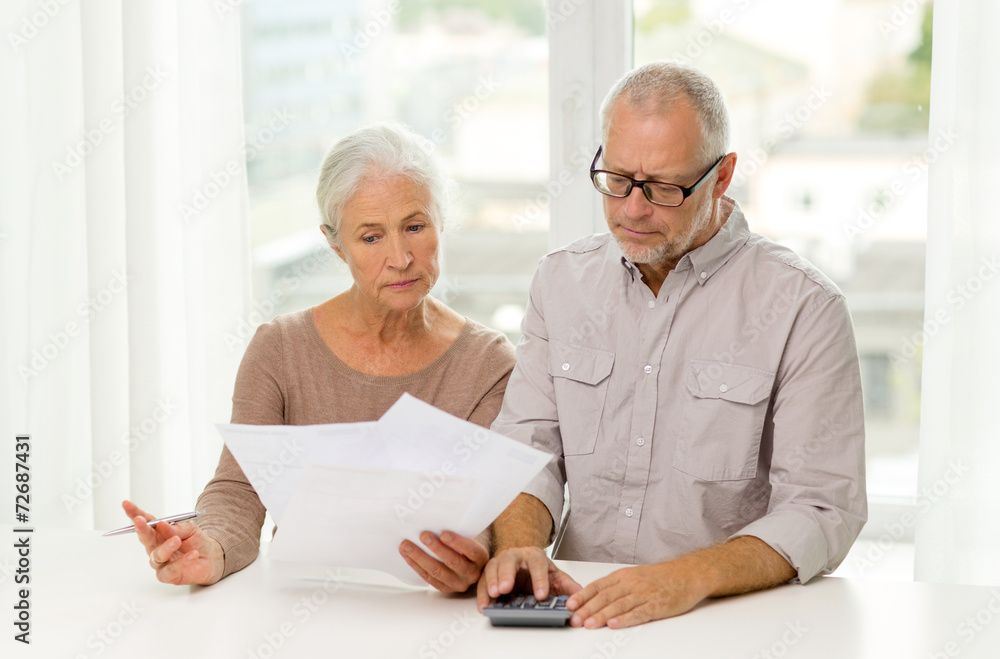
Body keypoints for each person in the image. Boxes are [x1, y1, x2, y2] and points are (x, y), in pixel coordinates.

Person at [475, 60, 867, 628]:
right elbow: (527, 448)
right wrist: (519, 545)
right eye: (617, 180)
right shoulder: (560, 282)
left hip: (727, 623)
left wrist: (686, 578)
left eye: (662, 188)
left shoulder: (804, 306)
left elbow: (823, 508)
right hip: (579, 616)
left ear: (723, 176)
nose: (633, 209)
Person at [121, 122, 515, 591]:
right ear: (334, 243)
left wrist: (480, 554)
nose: (401, 257)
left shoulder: (490, 363)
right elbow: (240, 489)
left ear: (441, 223)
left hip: (435, 615)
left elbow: (496, 508)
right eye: (371, 237)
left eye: (415, 226)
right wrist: (212, 548)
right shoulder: (279, 349)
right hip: (304, 604)